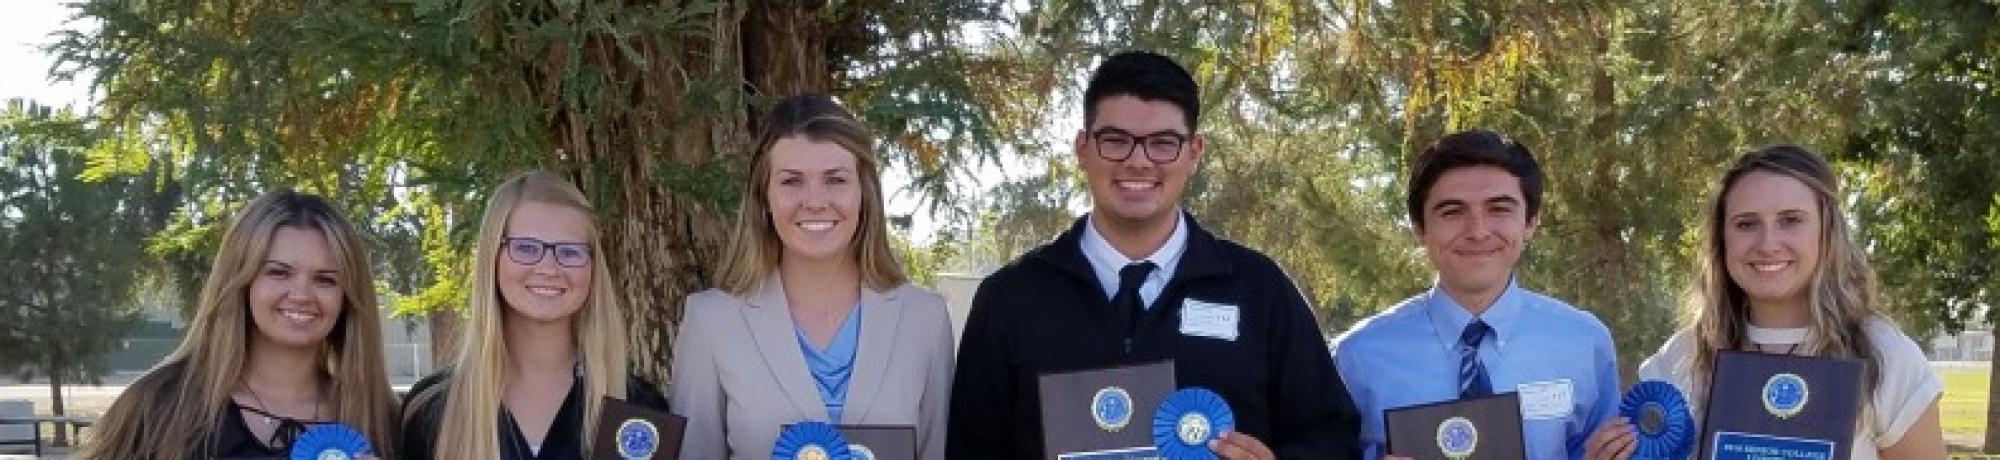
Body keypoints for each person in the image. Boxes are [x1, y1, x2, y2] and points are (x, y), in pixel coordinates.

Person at [946, 50, 1362, 459]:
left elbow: (1333, 433)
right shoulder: (1010, 299)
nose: (1139, 161)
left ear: (1194, 153)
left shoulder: (1259, 289)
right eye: (1116, 141)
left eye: (1163, 143)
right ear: (1083, 149)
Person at [1584, 145, 1946, 460]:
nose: (1768, 243)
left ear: (1827, 231)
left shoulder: (1883, 354)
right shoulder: (1682, 357)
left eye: (1790, 220)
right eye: (1746, 224)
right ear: (1722, 240)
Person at [671, 94, 955, 459]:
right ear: (764, 196)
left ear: (864, 193)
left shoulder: (925, 320)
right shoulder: (711, 321)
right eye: (792, 182)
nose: (815, 200)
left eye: (835, 179)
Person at [1331, 130, 1620, 459]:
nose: (1478, 232)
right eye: (1452, 212)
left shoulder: (1585, 343)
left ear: (1531, 222)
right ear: (1419, 228)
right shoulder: (1356, 357)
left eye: (1499, 209)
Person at [79, 191, 399, 459]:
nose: (301, 294)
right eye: (278, 272)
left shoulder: (383, 417)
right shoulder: (159, 407)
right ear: (239, 282)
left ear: (349, 296)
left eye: (326, 279)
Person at [399, 170, 668, 460]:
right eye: (526, 248)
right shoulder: (432, 409)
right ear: (493, 258)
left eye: (569, 252)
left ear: (593, 267)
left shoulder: (638, 410)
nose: (549, 268)